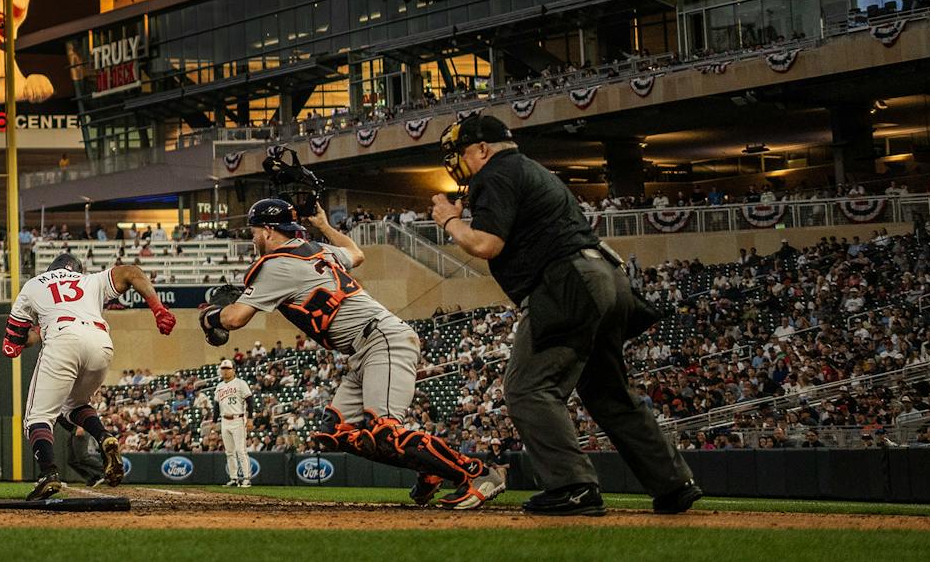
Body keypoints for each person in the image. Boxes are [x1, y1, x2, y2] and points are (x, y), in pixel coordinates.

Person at [427, 113, 701, 516]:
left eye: (464, 152)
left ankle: (572, 487)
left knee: (527, 387)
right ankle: (673, 484)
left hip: (569, 284)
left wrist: (450, 220)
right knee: (607, 392)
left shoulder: (497, 172)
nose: (462, 162)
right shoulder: (535, 170)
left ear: (482, 148)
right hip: (607, 278)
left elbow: (486, 244)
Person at [205, 199, 505, 509]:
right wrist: (324, 226)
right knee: (333, 432)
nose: (253, 239)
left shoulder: (276, 264)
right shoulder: (318, 250)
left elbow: (234, 319)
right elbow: (357, 254)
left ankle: (477, 474)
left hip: (382, 339)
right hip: (366, 347)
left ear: (268, 231)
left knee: (386, 431)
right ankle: (430, 467)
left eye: (254, 232)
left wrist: (208, 317)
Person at [4, 252, 177, 501]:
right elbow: (132, 272)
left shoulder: (35, 284)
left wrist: (13, 342)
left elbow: (17, 332)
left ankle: (48, 474)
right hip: (100, 343)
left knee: (36, 417)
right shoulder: (90, 281)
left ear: (52, 269)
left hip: (62, 338)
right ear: (77, 269)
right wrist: (158, 309)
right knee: (74, 405)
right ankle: (103, 436)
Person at [211, 360, 253, 487]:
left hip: (238, 419)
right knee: (229, 452)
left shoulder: (241, 383)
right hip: (224, 420)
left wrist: (250, 418)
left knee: (241, 450)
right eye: (223, 368)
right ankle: (234, 478)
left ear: (234, 370)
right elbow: (216, 405)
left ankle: (246, 478)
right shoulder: (219, 386)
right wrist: (214, 421)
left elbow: (250, 400)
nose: (225, 370)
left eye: (228, 368)